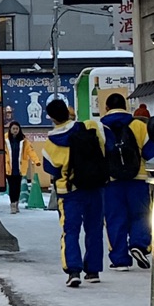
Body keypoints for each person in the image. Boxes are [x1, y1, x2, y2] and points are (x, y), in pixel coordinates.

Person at [41, 96, 107, 287]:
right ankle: (93, 271)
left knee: (70, 231)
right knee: (94, 229)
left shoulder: (51, 142)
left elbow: (50, 168)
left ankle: (73, 271)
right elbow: (103, 148)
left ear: (52, 118)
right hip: (94, 186)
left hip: (68, 191)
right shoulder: (89, 127)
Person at [99, 91, 150, 270]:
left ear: (106, 108)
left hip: (111, 181)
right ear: (126, 106)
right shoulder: (138, 125)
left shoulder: (101, 127)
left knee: (114, 218)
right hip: (139, 178)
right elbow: (151, 153)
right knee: (141, 214)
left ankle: (120, 259)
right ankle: (138, 244)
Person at [4, 118, 27, 214]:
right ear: (10, 129)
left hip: (19, 168)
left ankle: (16, 203)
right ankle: (12, 204)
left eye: (17, 129)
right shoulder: (5, 140)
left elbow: (30, 151)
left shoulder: (23, 140)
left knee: (17, 187)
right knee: (11, 187)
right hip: (9, 168)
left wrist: (36, 160)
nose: (15, 130)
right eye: (13, 128)